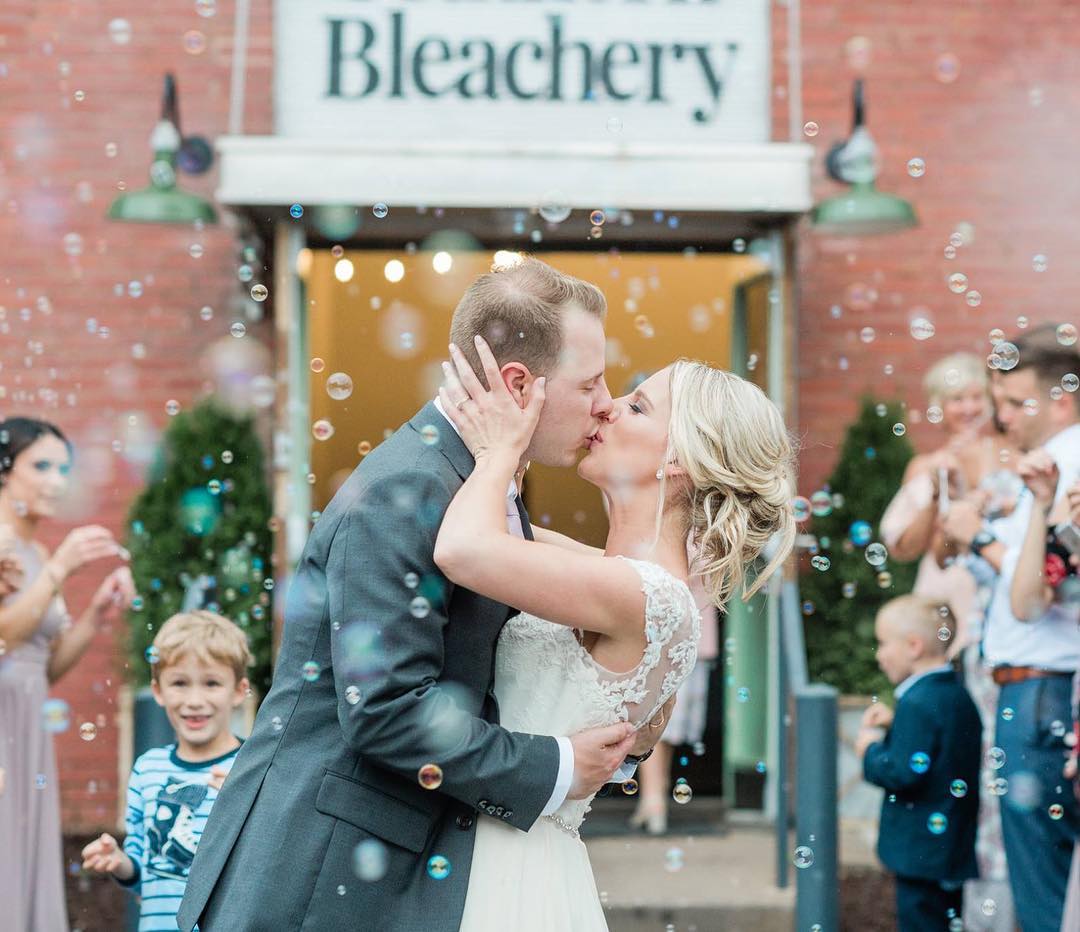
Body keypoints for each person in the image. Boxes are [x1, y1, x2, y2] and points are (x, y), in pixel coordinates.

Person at [179, 258, 671, 932]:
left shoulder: (477, 483)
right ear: (518, 384)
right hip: (322, 876)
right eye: (589, 384)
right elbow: (384, 711)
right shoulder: (406, 490)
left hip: (411, 866)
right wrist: (556, 765)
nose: (604, 403)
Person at [434, 334, 795, 928]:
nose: (606, 406)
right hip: (490, 841)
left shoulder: (649, 596)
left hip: (512, 867)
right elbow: (508, 534)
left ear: (677, 460)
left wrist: (501, 448)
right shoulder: (614, 574)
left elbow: (462, 548)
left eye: (637, 406)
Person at [881, 351, 1021, 929]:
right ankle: (952, 877)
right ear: (938, 408)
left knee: (994, 756)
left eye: (972, 396)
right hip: (944, 626)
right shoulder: (927, 465)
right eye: (953, 399)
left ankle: (999, 884)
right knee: (949, 757)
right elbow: (909, 547)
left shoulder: (1016, 458)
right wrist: (940, 493)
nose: (965, 408)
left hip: (999, 623)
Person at [0, 416, 134, 932]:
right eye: (41, 466)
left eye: (64, 469)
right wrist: (60, 569)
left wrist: (95, 616)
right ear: (4, 470)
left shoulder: (35, 552)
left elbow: (44, 667)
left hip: (28, 726)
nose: (57, 481)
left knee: (25, 862)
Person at [975, 329, 1080, 932]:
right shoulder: (1046, 468)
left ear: (1061, 400)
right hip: (1042, 690)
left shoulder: (1065, 469)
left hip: (1045, 690)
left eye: (1016, 403)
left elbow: (1032, 597)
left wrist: (980, 538)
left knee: (1044, 881)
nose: (1004, 418)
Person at [82, 610, 251, 931]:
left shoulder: (250, 769)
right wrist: (119, 862)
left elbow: (263, 863)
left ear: (239, 691)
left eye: (212, 683)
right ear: (158, 690)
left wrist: (242, 801)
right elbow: (142, 875)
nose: (195, 700)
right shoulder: (147, 770)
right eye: (179, 683)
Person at [856, 595, 981, 931]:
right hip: (949, 849)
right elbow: (939, 752)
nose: (879, 655)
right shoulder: (956, 694)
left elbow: (903, 772)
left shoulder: (917, 703)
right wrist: (895, 724)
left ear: (914, 646)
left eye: (884, 644)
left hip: (919, 854)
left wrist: (869, 750)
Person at [628, 561, 719, 836]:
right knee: (656, 723)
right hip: (669, 636)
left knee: (667, 727)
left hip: (688, 636)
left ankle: (655, 795)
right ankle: (653, 799)